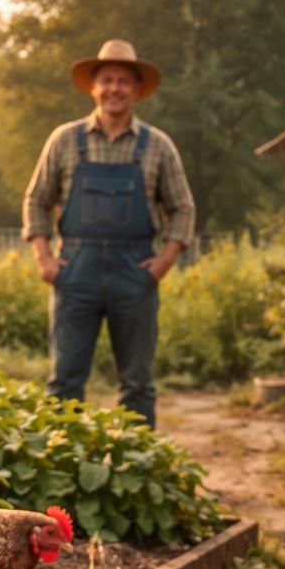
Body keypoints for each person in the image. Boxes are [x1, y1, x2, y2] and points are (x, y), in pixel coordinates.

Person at [22, 39, 195, 428]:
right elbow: (35, 200)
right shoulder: (65, 140)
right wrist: (44, 259)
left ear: (136, 90)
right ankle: (62, 467)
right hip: (76, 269)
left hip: (134, 270)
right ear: (94, 87)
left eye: (123, 81)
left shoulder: (157, 146)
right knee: (65, 380)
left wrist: (164, 261)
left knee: (137, 383)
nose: (114, 88)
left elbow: (183, 208)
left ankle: (137, 472)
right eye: (107, 80)